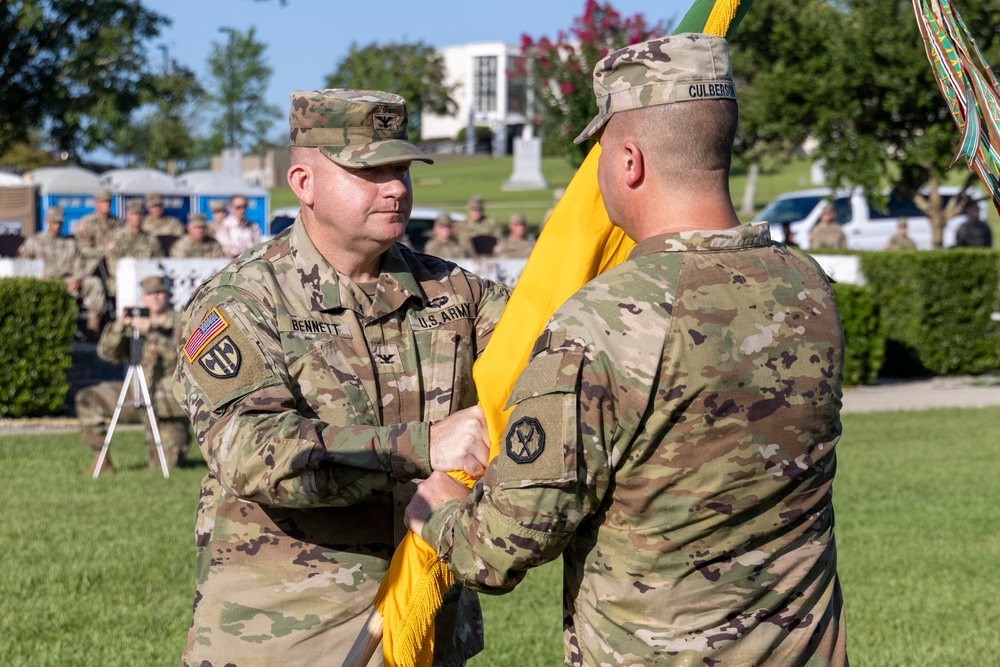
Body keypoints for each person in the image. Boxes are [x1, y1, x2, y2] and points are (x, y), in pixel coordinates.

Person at [406, 33, 848, 666]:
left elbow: (500, 546)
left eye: (600, 155)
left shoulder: (602, 321)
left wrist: (439, 511)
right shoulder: (809, 289)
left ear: (629, 162)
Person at [173, 88, 510, 666]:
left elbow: (559, 351)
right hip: (287, 636)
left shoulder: (454, 293)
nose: (396, 188)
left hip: (424, 626)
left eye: (402, 169)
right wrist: (424, 445)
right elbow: (256, 454)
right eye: (369, 171)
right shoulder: (242, 301)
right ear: (303, 182)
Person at [76, 275, 190, 474]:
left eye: (159, 293)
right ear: (142, 298)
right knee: (87, 398)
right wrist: (120, 326)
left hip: (167, 400)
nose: (155, 297)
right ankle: (101, 461)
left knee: (167, 466)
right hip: (134, 391)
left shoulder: (182, 321)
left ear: (168, 295)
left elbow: (181, 355)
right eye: (150, 294)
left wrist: (151, 332)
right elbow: (108, 354)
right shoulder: (134, 323)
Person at [18, 206, 106, 333]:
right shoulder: (34, 242)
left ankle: (92, 328)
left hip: (67, 280)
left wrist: (78, 279)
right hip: (45, 281)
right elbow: (23, 265)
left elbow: (78, 264)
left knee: (94, 283)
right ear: (46, 221)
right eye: (54, 222)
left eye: (59, 222)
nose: (57, 225)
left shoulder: (69, 243)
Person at [105, 200, 163, 297]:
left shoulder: (151, 239)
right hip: (122, 277)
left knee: (156, 286)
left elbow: (158, 260)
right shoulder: (117, 237)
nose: (137, 217)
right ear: (127, 216)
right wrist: (129, 275)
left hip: (146, 277)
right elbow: (112, 264)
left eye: (139, 214)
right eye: (133, 214)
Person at [74, 188, 121, 278]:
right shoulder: (87, 223)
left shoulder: (118, 223)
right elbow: (84, 250)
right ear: (96, 204)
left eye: (108, 201)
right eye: (103, 202)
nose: (106, 204)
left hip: (116, 262)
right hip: (95, 264)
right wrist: (105, 250)